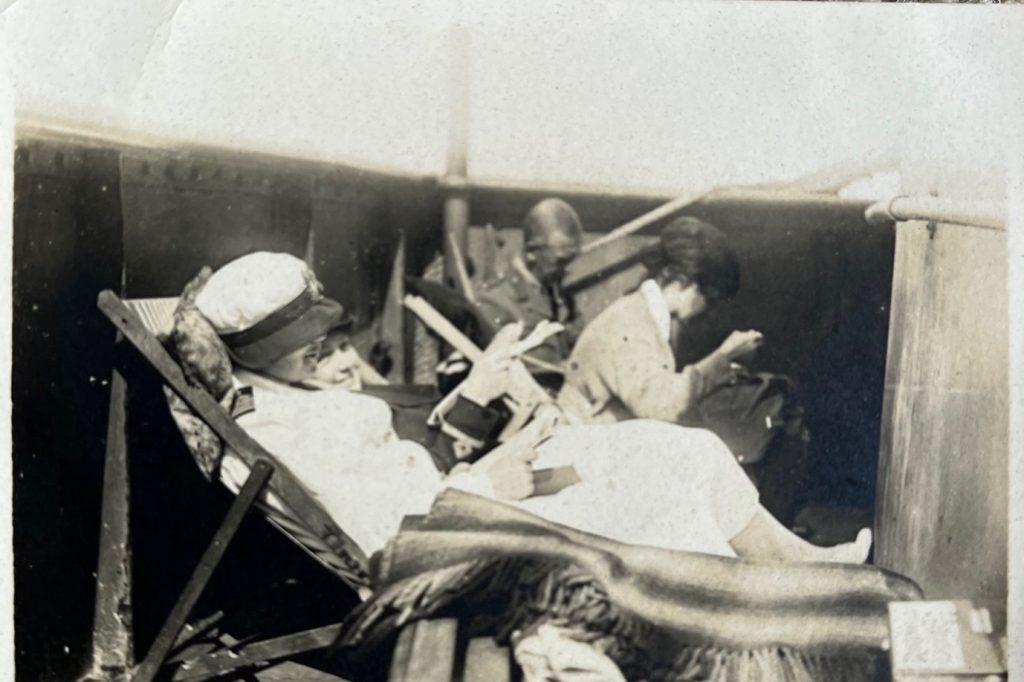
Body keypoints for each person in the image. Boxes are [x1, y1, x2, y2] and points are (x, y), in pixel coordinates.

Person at [196, 251, 870, 563]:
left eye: (321, 333)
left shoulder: (297, 390)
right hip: (460, 531)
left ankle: (797, 559)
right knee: (646, 487)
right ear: (254, 349)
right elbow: (380, 536)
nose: (325, 348)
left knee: (672, 446)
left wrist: (487, 435)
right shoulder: (273, 428)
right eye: (305, 341)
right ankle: (765, 586)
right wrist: (490, 482)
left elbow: (404, 463)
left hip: (462, 494)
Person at [559, 216, 763, 424]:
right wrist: (723, 357)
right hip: (580, 439)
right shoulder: (629, 323)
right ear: (684, 282)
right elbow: (658, 405)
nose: (708, 312)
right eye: (709, 299)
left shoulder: (645, 317)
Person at [475, 198, 585, 366]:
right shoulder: (494, 301)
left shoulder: (558, 294)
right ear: (531, 252)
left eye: (571, 261)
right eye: (561, 262)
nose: (567, 271)